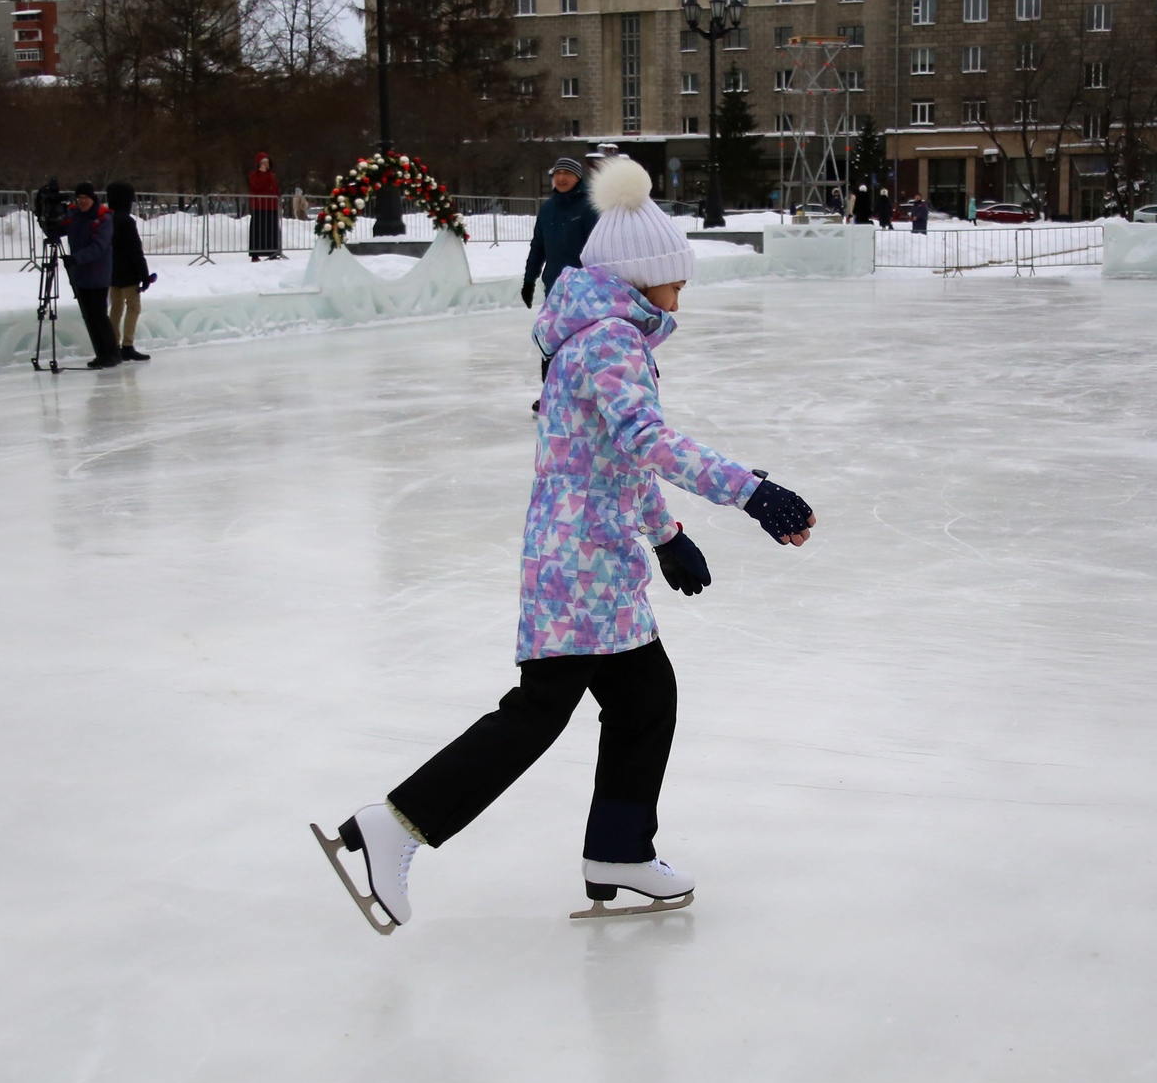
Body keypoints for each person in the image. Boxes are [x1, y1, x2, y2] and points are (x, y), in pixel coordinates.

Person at [317, 155, 818, 929]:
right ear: (639, 275)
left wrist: (666, 533)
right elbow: (649, 439)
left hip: (592, 559)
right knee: (535, 715)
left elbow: (611, 453)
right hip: (582, 567)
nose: (680, 293)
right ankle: (395, 825)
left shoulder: (590, 334)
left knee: (646, 701)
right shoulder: (610, 340)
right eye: (673, 278)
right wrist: (752, 491)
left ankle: (619, 849)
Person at [54, 183, 125, 369]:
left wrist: (76, 259)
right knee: (89, 316)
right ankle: (102, 353)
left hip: (98, 274)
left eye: (86, 198)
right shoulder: (74, 216)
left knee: (99, 315)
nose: (82, 201)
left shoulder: (103, 218)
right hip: (80, 274)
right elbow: (57, 231)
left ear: (92, 199)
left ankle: (112, 353)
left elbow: (99, 247)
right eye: (79, 198)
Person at [521, 156, 598, 311]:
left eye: (567, 173)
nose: (561, 178)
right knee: (554, 332)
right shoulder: (547, 208)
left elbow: (599, 249)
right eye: (558, 173)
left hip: (584, 288)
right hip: (554, 285)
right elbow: (538, 247)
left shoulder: (590, 206)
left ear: (578, 177)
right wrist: (529, 281)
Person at [106, 180, 154, 362]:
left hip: (112, 272)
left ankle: (113, 345)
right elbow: (135, 250)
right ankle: (127, 345)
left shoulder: (106, 218)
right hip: (128, 273)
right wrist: (144, 274)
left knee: (116, 308)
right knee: (133, 307)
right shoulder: (126, 221)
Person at [247, 150, 284, 261]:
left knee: (271, 230)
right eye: (263, 162)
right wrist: (262, 174)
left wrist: (278, 200)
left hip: (271, 207)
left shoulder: (272, 175)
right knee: (258, 230)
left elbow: (275, 189)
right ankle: (255, 253)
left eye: (267, 162)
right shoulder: (254, 175)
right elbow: (258, 186)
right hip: (260, 207)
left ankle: (272, 252)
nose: (266, 165)